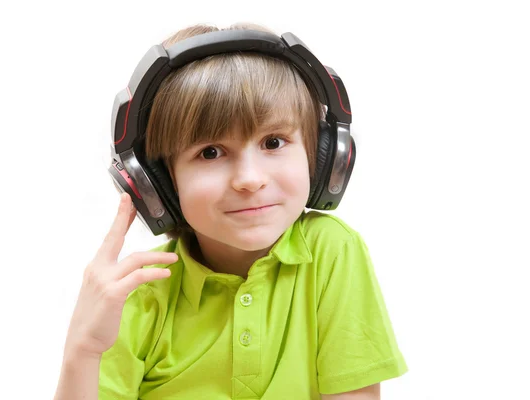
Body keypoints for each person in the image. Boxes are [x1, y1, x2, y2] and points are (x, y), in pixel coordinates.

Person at [53, 23, 408, 400]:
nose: (249, 179)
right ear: (158, 183)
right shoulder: (138, 294)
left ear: (321, 156)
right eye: (210, 152)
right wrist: (84, 349)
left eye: (273, 142)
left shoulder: (331, 252)